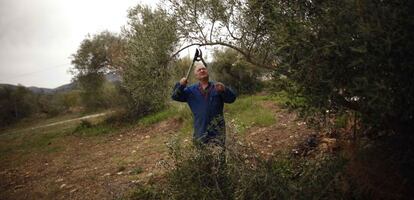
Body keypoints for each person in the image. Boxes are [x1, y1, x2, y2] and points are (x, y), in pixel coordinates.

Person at [172, 63, 237, 146]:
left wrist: (224, 89)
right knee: (202, 156)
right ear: (196, 75)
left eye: (204, 69)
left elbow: (232, 99)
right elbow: (175, 97)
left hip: (218, 131)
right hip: (200, 131)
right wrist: (180, 85)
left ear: (207, 72)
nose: (202, 70)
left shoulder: (217, 87)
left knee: (219, 155)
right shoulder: (190, 91)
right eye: (199, 70)